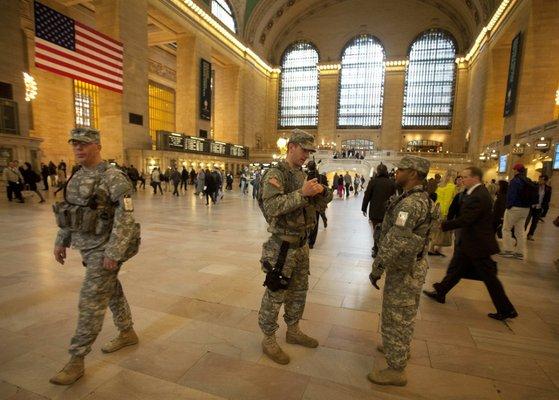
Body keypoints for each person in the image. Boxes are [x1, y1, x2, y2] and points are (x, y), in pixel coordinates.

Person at [50, 128, 140, 385]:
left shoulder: (114, 177)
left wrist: (113, 252)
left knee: (90, 300)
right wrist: (61, 240)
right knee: (110, 289)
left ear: (98, 145)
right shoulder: (77, 176)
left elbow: (126, 218)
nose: (78, 149)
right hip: (87, 246)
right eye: (75, 144)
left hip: (105, 247)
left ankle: (76, 360)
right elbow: (69, 210)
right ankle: (127, 331)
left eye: (84, 144)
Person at [258, 129, 332, 365]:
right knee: (276, 292)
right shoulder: (275, 173)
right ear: (291, 147)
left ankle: (293, 329)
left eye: (310, 152)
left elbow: (315, 204)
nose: (307, 156)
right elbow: (272, 207)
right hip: (282, 247)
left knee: (299, 290)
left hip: (301, 245)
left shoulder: (303, 174)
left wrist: (322, 193)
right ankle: (268, 337)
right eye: (304, 150)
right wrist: (302, 193)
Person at [368, 155, 436, 386]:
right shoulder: (421, 198)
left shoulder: (410, 204)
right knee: (404, 313)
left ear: (413, 174)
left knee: (396, 315)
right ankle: (397, 347)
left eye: (401, 170)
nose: (396, 173)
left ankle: (396, 369)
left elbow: (396, 240)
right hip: (412, 264)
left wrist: (377, 267)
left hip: (405, 268)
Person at [423, 166, 517, 321]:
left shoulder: (478, 195)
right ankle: (441, 291)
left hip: (478, 244)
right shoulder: (474, 192)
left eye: (465, 177)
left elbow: (467, 219)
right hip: (470, 242)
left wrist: (443, 225)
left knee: (489, 278)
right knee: (456, 269)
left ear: (475, 178)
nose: (461, 180)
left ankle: (506, 309)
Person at [362, 163, 396, 258]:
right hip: (388, 212)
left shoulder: (373, 182)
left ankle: (376, 249)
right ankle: (384, 249)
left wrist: (364, 208)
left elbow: (367, 196)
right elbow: (395, 198)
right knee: (386, 231)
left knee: (376, 230)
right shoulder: (392, 183)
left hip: (375, 212)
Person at [500, 163, 533, 260]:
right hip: (526, 209)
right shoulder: (528, 180)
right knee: (520, 231)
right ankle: (520, 252)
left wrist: (508, 206)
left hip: (514, 208)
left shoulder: (515, 181)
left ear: (516, 170)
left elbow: (511, 195)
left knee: (506, 229)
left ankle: (508, 250)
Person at [306, 160, 329, 249]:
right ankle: (311, 242)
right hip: (318, 204)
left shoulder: (305, 176)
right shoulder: (322, 177)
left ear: (308, 167)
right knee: (315, 222)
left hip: (307, 203)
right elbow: (327, 190)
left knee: (306, 222)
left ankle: (306, 239)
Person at [525, 175, 552, 241]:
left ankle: (530, 235)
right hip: (531, 207)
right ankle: (520, 233)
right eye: (539, 178)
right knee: (526, 221)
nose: (540, 180)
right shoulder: (534, 185)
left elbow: (547, 199)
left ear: (545, 181)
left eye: (542, 179)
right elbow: (529, 194)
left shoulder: (548, 188)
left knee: (535, 223)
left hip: (539, 208)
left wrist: (544, 208)